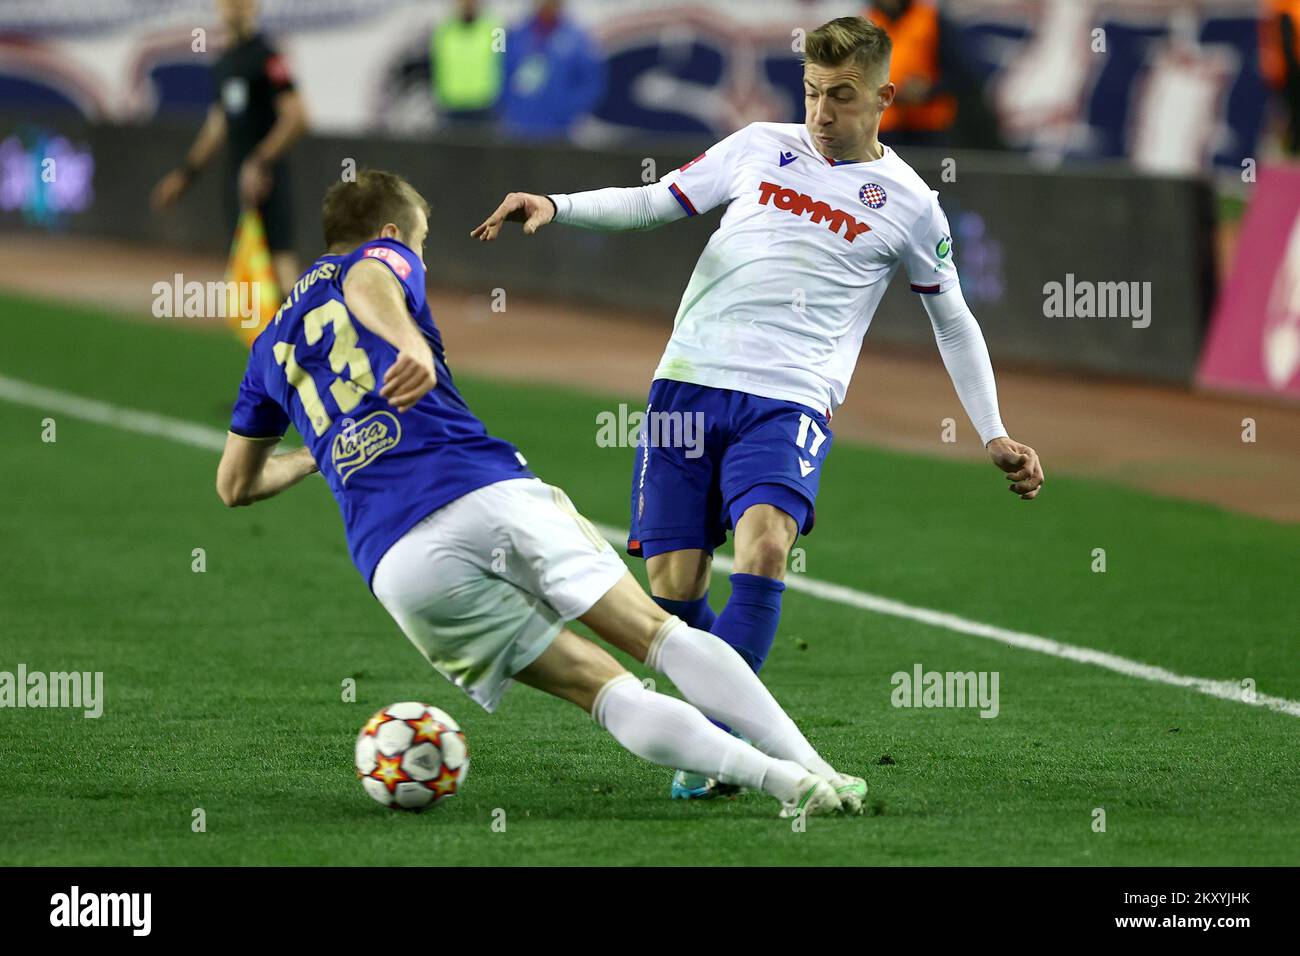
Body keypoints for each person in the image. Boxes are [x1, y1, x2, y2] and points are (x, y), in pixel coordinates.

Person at [472, 16, 1044, 800]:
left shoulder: (911, 205)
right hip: (688, 384)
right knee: (671, 592)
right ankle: (723, 723)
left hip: (790, 399)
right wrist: (558, 204)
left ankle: (722, 749)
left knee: (765, 546)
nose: (820, 112)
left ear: (883, 96)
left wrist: (995, 431)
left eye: (841, 97)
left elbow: (954, 321)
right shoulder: (755, 146)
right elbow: (655, 202)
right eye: (811, 92)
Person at [214, 168, 867, 818]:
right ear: (389, 234)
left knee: (603, 690)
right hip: (484, 490)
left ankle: (788, 787)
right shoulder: (377, 260)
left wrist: (317, 455)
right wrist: (408, 340)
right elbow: (365, 278)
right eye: (420, 243)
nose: (420, 258)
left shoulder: (270, 345)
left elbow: (234, 485)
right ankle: (816, 769)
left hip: (400, 564)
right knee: (656, 634)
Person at [152, 0, 308, 295]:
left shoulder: (268, 57)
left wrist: (259, 161)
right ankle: (264, 340)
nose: (235, 6)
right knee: (247, 275)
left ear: (255, 7)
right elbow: (218, 124)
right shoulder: (223, 63)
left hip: (267, 179)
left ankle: (301, 337)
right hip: (235, 179)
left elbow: (297, 118)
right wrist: (185, 175)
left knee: (280, 265)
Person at [499, 0, 605, 140]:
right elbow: (501, 74)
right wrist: (510, 107)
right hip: (518, 127)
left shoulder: (577, 39)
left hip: (559, 129)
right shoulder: (515, 35)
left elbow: (591, 82)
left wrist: (568, 110)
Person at [430, 0, 504, 127]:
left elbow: (504, 65)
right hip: (451, 108)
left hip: (484, 107)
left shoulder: (496, 32)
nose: (468, 3)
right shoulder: (443, 33)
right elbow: (436, 68)